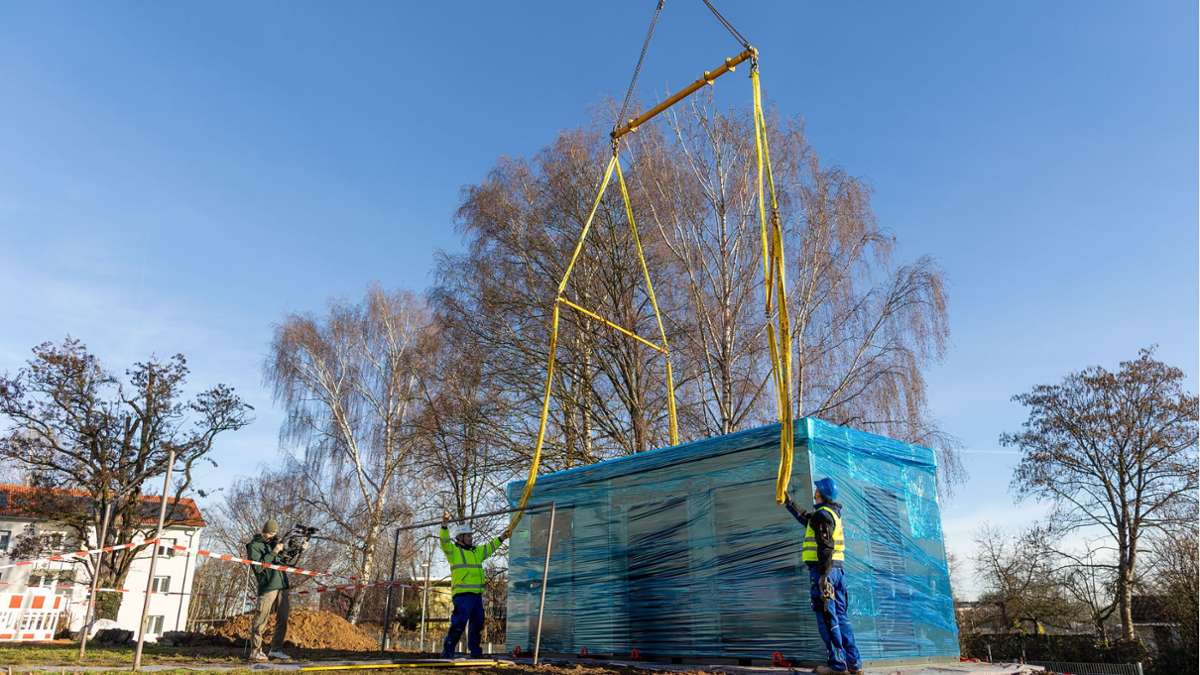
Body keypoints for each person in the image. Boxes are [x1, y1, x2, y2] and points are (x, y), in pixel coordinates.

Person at [784, 477, 862, 675]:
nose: (814, 493)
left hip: (824, 571)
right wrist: (789, 503)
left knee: (827, 618)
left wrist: (823, 576)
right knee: (841, 617)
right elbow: (805, 518)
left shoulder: (823, 516)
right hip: (837, 571)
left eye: (817, 491)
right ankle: (854, 663)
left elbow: (826, 546)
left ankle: (837, 665)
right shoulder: (830, 514)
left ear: (822, 495)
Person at [439, 510, 506, 659]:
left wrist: (502, 538)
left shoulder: (477, 552)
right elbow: (444, 542)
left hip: (476, 596)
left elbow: (490, 547)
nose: (471, 538)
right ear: (461, 538)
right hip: (462, 596)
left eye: (471, 535)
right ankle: (447, 652)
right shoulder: (453, 551)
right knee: (459, 624)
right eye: (469, 536)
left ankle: (475, 652)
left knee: (477, 624)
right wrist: (444, 524)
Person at [246, 519, 293, 662]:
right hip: (268, 586)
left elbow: (284, 561)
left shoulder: (274, 543)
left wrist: (299, 549)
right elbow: (259, 568)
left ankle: (276, 650)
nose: (272, 536)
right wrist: (273, 552)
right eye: (271, 533)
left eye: (275, 533)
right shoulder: (254, 546)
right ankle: (255, 651)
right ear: (265, 531)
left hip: (282, 585)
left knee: (283, 618)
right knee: (261, 618)